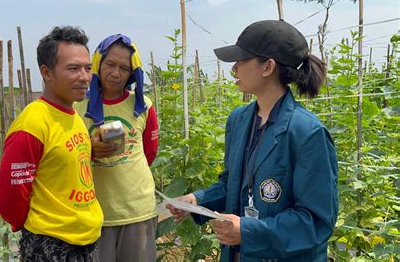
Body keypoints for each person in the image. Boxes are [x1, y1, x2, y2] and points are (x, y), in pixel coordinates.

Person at [166, 20, 338, 261]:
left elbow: (316, 221)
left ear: (267, 67)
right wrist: (196, 200)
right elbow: (232, 184)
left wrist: (247, 231)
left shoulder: (307, 133)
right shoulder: (239, 120)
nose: (234, 68)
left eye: (241, 60)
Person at [0, 26, 103, 261]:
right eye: (73, 68)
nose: (84, 77)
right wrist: (40, 229)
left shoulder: (73, 116)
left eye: (87, 68)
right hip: (50, 246)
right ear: (46, 72)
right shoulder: (33, 123)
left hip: (85, 241)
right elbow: (8, 198)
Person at [75, 34, 159, 262]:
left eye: (124, 67)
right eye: (110, 64)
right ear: (97, 64)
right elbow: (67, 155)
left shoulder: (143, 106)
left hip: (137, 210)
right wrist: (90, 150)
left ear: (132, 72)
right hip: (95, 212)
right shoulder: (77, 106)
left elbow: (150, 153)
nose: (115, 73)